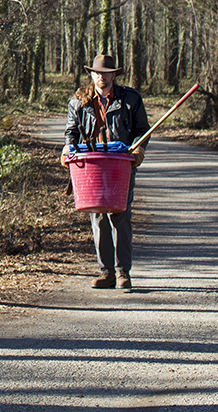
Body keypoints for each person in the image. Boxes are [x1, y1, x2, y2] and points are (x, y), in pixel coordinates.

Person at [61, 53, 150, 290]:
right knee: (98, 217)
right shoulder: (79, 101)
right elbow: (71, 133)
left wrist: (138, 149)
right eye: (97, 72)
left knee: (120, 216)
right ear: (91, 74)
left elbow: (142, 129)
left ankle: (123, 273)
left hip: (120, 164)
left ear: (114, 75)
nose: (102, 77)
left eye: (106, 73)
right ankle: (107, 272)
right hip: (92, 166)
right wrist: (67, 151)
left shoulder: (130, 99)